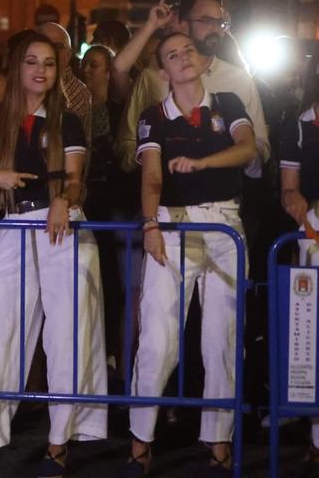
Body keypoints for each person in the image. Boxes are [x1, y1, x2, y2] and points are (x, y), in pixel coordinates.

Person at [0, 31, 106, 477]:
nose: (41, 71)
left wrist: (65, 199)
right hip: (12, 226)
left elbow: (76, 179)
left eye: (49, 63)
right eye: (32, 62)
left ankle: (59, 441)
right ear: (17, 67)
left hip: (61, 226)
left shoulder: (66, 121)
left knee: (67, 334)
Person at [123, 32, 258, 476]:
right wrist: (150, 225)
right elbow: (152, 177)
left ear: (201, 59)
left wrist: (202, 164)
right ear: (162, 70)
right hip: (173, 222)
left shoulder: (229, 102)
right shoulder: (154, 116)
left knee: (222, 338)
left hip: (224, 223)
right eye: (172, 55)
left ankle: (219, 441)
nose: (182, 58)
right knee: (159, 337)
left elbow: (247, 149)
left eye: (188, 51)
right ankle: (140, 440)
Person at [113, 0, 270, 175]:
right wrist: (156, 161)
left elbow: (260, 143)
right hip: (165, 197)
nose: (215, 28)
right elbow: (127, 142)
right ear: (185, 25)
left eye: (220, 22)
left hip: (224, 197)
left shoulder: (239, 81)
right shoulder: (154, 77)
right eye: (206, 21)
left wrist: (235, 159)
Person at [281, 67, 319, 472]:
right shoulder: (299, 127)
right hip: (313, 242)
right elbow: (288, 187)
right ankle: (316, 437)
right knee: (312, 340)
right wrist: (297, 207)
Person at [36, 21, 92, 130]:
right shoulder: (21, 82)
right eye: (44, 44)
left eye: (57, 46)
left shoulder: (79, 92)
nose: (50, 51)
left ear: (68, 54)